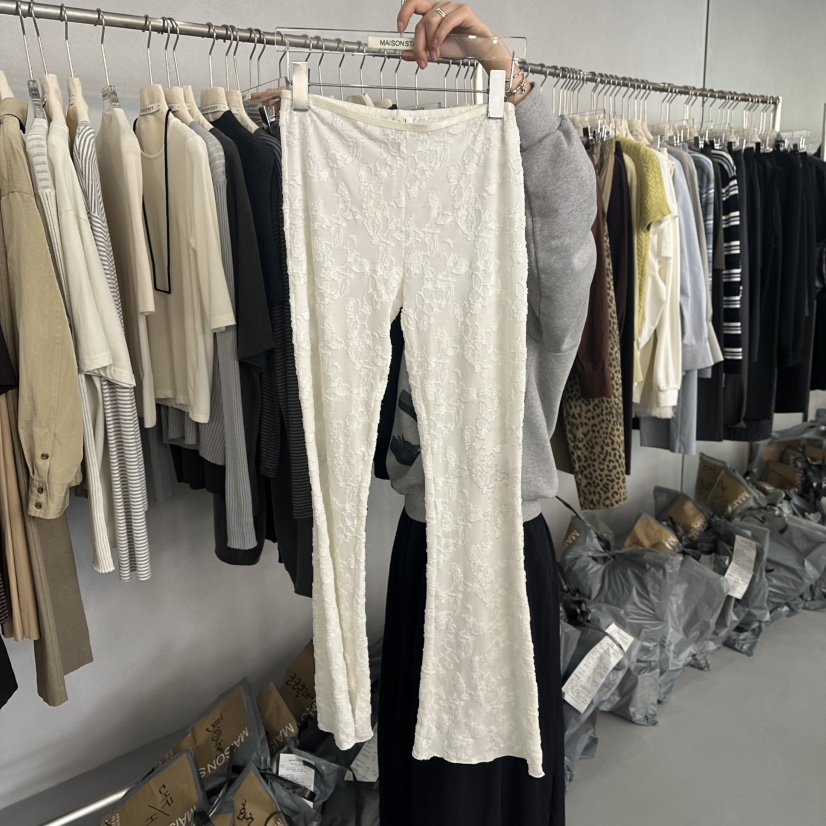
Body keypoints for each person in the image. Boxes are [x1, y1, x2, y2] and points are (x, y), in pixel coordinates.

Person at [379, 3, 598, 825]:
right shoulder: (418, 254)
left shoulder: (530, 291)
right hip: (424, 542)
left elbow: (569, 232)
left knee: (499, 783)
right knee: (425, 776)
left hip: (506, 547)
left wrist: (512, 83)